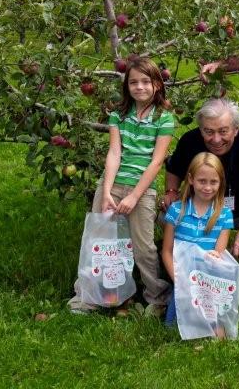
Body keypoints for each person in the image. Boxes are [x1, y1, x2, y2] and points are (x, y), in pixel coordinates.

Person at [68, 56, 174, 316]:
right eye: (134, 82)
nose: (140, 87)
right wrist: (106, 193)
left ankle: (157, 297)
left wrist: (135, 196)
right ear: (127, 86)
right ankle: (91, 295)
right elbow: (114, 154)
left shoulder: (164, 118)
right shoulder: (118, 115)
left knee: (143, 246)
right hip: (112, 184)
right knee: (98, 240)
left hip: (142, 190)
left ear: (157, 85)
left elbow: (156, 162)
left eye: (146, 82)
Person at [163, 98, 239, 294]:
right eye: (208, 131)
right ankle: (186, 271)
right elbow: (173, 168)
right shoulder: (190, 141)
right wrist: (170, 192)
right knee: (167, 215)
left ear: (235, 129)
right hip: (200, 207)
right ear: (200, 129)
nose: (216, 139)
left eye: (223, 131)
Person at [162, 152, 234, 331]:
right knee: (172, 327)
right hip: (182, 277)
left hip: (208, 281)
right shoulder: (176, 211)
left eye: (213, 182)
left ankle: (212, 320)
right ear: (191, 179)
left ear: (221, 182)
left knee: (215, 329)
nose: (208, 187)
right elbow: (166, 251)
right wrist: (179, 281)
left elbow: (219, 254)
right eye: (202, 181)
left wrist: (213, 258)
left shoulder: (224, 214)